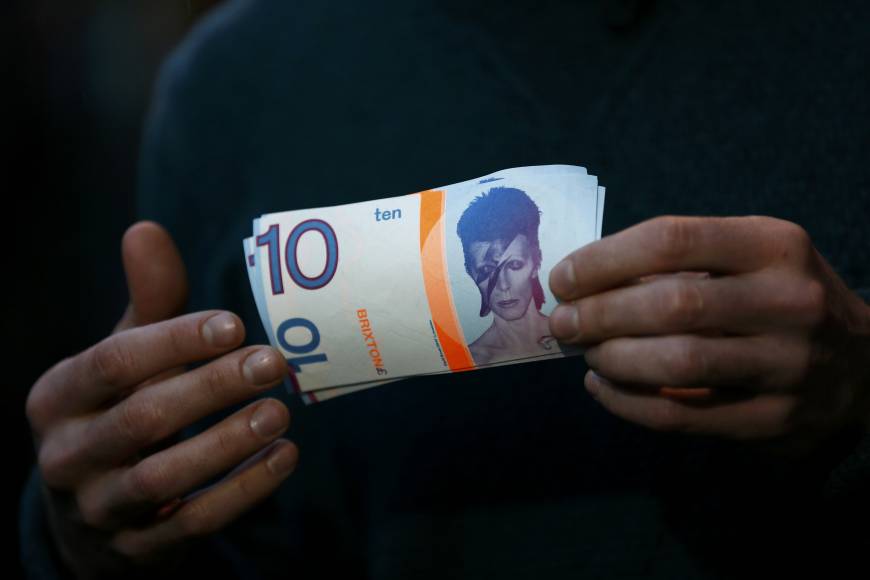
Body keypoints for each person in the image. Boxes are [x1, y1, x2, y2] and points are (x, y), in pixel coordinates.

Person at [20, 0, 870, 578]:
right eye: (486, 264)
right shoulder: (230, 89)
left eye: (514, 258)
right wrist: (85, 540)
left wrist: (859, 395)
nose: (503, 277)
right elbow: (229, 541)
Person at [457, 186, 559, 365]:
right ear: (470, 273)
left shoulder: (576, 338)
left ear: (536, 262)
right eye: (486, 271)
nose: (503, 285)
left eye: (514, 265)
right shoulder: (471, 361)